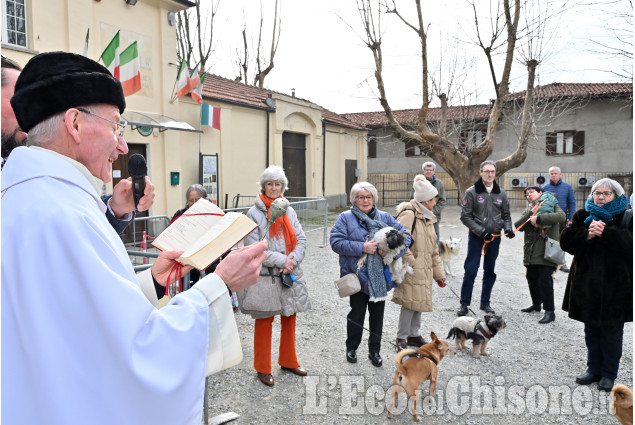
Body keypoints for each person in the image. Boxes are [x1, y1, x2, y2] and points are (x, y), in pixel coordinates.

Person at [2, 51, 267, 425]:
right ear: (75, 123)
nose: (123, 146)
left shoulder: (29, 198)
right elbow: (133, 356)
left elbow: (79, 320)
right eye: (116, 126)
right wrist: (220, 286)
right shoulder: (64, 215)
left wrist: (151, 282)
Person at [1, 55, 151, 234]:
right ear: (75, 124)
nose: (28, 115)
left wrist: (114, 209)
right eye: (18, 101)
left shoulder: (31, 184)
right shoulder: (44, 200)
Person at [239, 165, 311, 387]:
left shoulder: (289, 210)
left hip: (289, 272)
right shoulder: (254, 213)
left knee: (289, 317)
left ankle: (289, 361)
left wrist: (292, 261)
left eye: (277, 184)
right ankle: (263, 368)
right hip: (266, 274)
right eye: (269, 183)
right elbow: (254, 246)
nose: (273, 187)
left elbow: (301, 239)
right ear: (263, 186)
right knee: (264, 319)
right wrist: (283, 261)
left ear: (283, 187)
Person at [560, 178, 632, 392]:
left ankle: (609, 374)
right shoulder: (582, 215)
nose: (600, 196)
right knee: (591, 331)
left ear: (616, 196)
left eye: (606, 193)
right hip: (586, 287)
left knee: (611, 334)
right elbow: (566, 241)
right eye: (597, 193)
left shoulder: (626, 216)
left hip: (616, 288)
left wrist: (607, 233)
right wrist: (588, 234)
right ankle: (593, 369)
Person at [330, 182, 410, 367]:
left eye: (368, 197)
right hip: (357, 276)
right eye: (360, 197)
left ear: (374, 199)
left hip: (379, 277)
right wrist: (361, 247)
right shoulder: (345, 218)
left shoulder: (385, 217)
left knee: (377, 316)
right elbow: (335, 242)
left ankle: (375, 351)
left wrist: (390, 252)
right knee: (356, 314)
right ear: (354, 200)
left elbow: (406, 237)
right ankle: (352, 348)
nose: (365, 200)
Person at [392, 175, 446, 351]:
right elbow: (397, 240)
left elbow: (433, 250)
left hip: (425, 268)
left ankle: (413, 335)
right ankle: (401, 337)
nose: (436, 201)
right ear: (425, 200)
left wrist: (439, 275)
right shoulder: (409, 215)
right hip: (411, 268)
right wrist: (412, 262)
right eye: (433, 199)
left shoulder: (428, 217)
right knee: (409, 302)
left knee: (419, 301)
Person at [457, 160, 513, 316]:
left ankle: (485, 302)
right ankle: (464, 304)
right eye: (487, 171)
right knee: (471, 270)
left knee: (490, 270)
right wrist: (481, 232)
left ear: (495, 173)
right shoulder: (472, 192)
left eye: (492, 172)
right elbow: (465, 217)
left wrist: (508, 229)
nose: (490, 174)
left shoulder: (501, 193)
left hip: (494, 238)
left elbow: (506, 215)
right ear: (480, 172)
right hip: (477, 238)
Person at [514, 186, 566, 324]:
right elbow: (518, 225)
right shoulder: (529, 209)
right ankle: (536, 304)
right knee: (531, 278)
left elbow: (562, 216)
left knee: (545, 280)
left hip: (546, 250)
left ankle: (550, 311)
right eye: (527, 194)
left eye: (532, 192)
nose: (529, 195)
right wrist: (532, 212)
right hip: (531, 251)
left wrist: (540, 217)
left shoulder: (552, 204)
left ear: (541, 193)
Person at [542, 166, 576, 272]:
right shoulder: (545, 188)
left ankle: (562, 263)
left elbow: (572, 203)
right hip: (549, 219)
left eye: (556, 173)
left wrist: (571, 218)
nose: (554, 175)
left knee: (561, 240)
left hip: (562, 219)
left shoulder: (567, 187)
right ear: (549, 175)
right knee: (549, 240)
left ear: (560, 175)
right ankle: (549, 262)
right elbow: (541, 204)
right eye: (552, 173)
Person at [422, 161, 446, 239]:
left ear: (434, 172)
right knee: (422, 238)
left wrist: (433, 211)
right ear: (423, 171)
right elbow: (413, 198)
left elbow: (442, 200)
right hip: (421, 216)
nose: (428, 171)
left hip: (434, 217)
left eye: (430, 170)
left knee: (435, 238)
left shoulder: (439, 184)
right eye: (426, 170)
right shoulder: (418, 183)